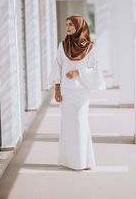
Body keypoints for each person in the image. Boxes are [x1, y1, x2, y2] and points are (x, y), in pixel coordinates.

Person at [49, 14, 106, 171]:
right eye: (66, 24)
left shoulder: (90, 48)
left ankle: (82, 160)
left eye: (71, 25)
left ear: (79, 27)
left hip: (81, 93)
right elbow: (57, 67)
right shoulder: (63, 46)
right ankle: (69, 160)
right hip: (67, 92)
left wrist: (78, 72)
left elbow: (95, 69)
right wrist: (57, 89)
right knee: (67, 124)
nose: (67, 27)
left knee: (80, 123)